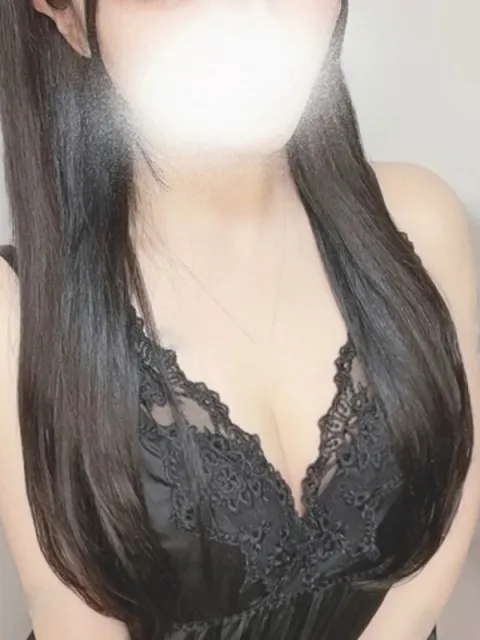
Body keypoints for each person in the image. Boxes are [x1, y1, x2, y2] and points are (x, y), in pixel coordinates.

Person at [0, 1, 478, 639]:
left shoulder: (421, 221)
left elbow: (450, 504)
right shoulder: (18, 311)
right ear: (64, 16)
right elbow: (69, 611)